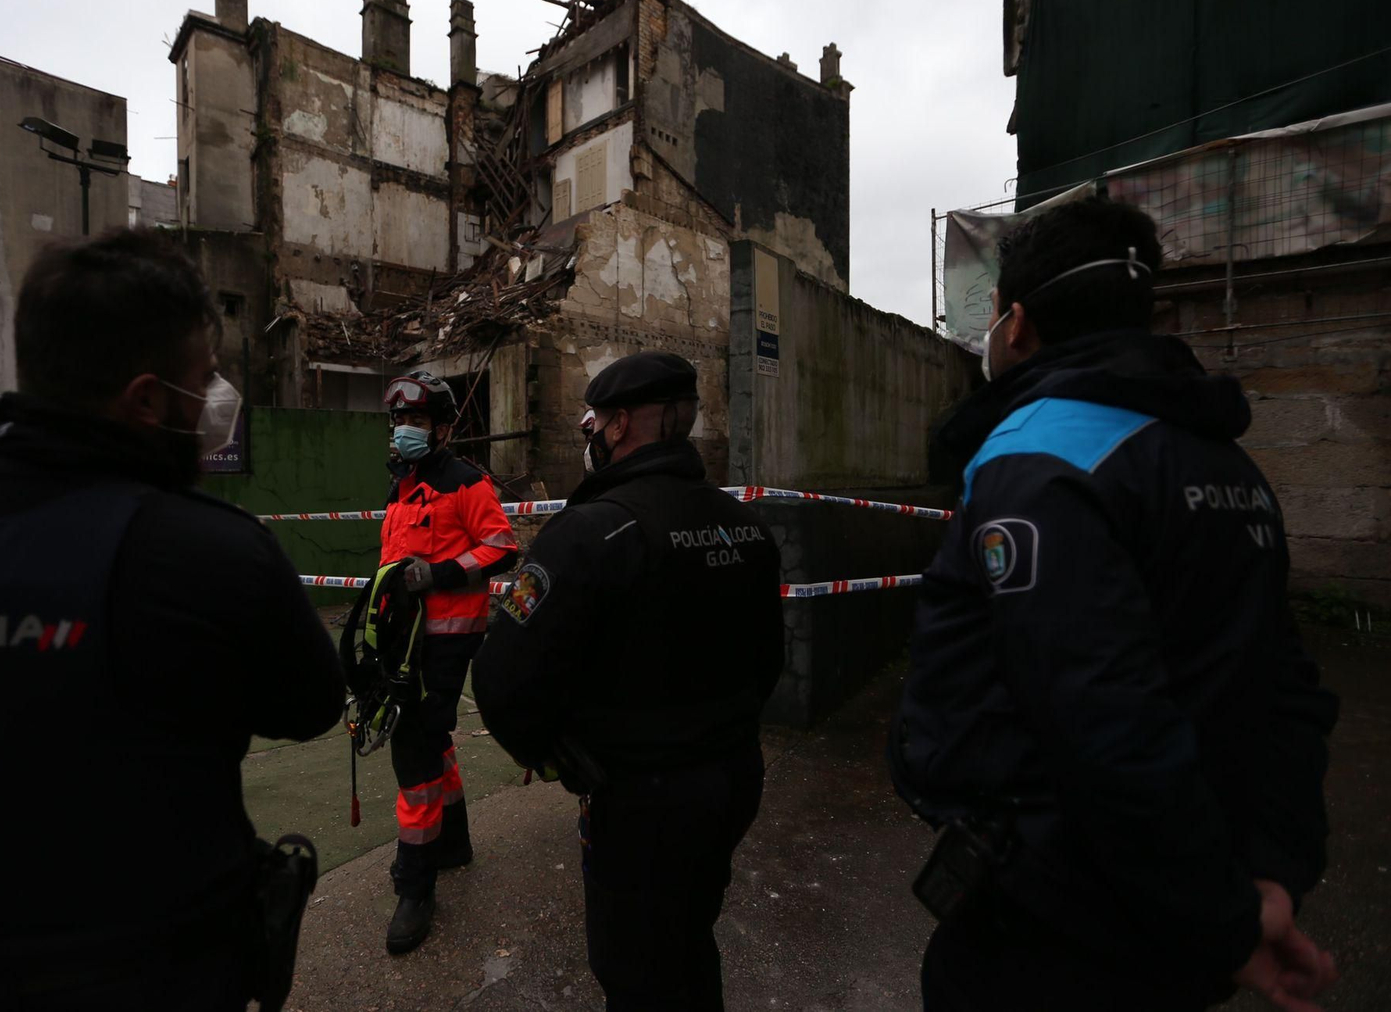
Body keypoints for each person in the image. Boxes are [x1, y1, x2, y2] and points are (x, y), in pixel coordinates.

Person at [0, 229, 345, 1011]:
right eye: (204, 376)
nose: (216, 397)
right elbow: (310, 705)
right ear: (147, 400)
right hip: (156, 981)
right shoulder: (207, 554)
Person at [889, 197, 1340, 1011]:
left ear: (1016, 325)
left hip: (1059, 925)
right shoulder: (1224, 462)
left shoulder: (1037, 460)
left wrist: (1225, 922)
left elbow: (1104, 721)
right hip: (1167, 913)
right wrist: (1271, 873)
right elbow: (1285, 692)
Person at [473, 351, 784, 1011]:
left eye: (593, 423)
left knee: (636, 968)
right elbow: (768, 663)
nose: (590, 436)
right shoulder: (748, 526)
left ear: (617, 426)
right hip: (732, 781)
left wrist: (558, 756)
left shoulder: (590, 532)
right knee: (690, 939)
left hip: (641, 802)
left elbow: (503, 679)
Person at [377, 371, 519, 954]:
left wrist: (438, 574)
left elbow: (503, 548)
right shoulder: (402, 486)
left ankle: (416, 886)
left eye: (415, 420)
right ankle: (453, 843)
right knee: (432, 742)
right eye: (398, 421)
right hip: (405, 641)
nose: (404, 430)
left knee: (414, 755)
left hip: (447, 641)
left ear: (441, 428)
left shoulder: (465, 483)